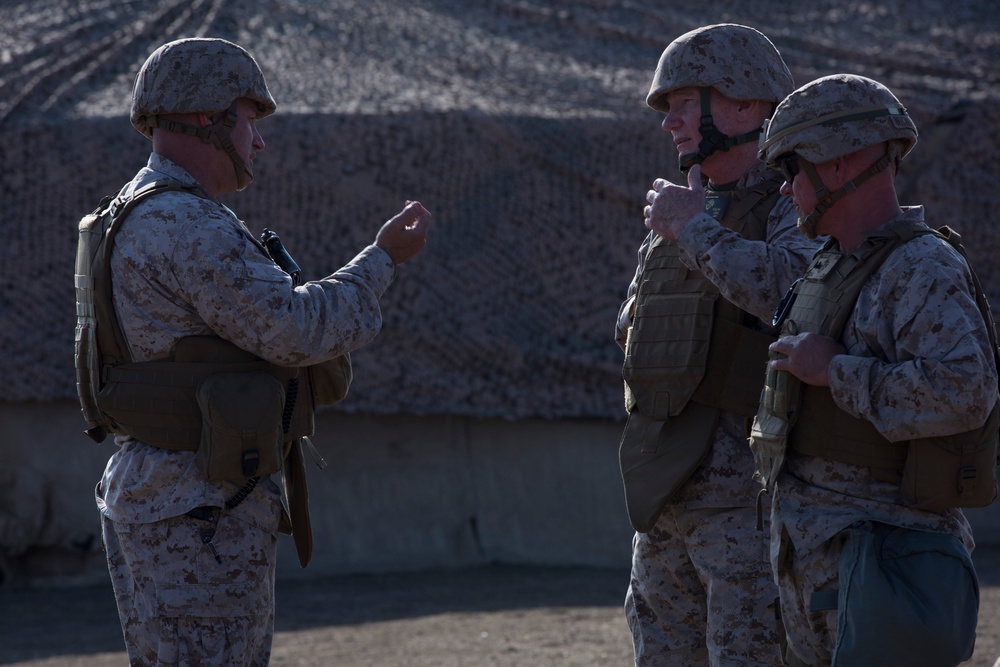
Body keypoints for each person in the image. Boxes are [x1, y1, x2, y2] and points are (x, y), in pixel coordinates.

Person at [74, 38, 430, 665]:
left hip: (162, 494)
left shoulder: (128, 214)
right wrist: (381, 260)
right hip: (198, 507)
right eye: (248, 120)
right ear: (206, 119)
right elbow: (296, 330)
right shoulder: (187, 224)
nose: (257, 141)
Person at [752, 73, 998, 666]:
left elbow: (966, 392)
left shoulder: (921, 267)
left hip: (882, 567)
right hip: (816, 565)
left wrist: (837, 371)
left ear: (839, 164)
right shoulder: (828, 265)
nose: (786, 191)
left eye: (792, 170)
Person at [615, 23, 820, 666]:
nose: (670, 122)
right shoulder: (687, 206)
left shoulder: (795, 197)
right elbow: (638, 326)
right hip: (667, 485)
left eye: (683, 102)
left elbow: (794, 296)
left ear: (742, 103)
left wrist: (694, 231)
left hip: (746, 499)